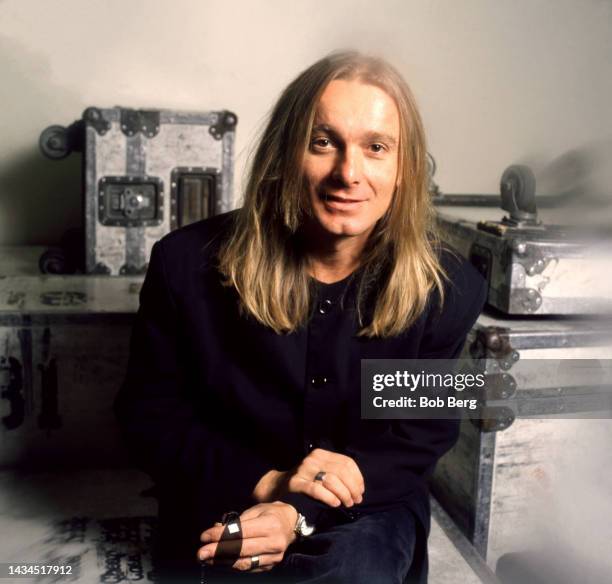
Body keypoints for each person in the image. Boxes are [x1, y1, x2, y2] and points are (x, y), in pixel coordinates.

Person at [114, 51, 487, 583]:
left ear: (403, 168)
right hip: (229, 491)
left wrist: (298, 514)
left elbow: (419, 438)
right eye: (323, 142)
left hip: (368, 509)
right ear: (284, 153)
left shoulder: (451, 289)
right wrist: (269, 485)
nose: (348, 173)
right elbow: (147, 415)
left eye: (376, 148)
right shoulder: (184, 264)